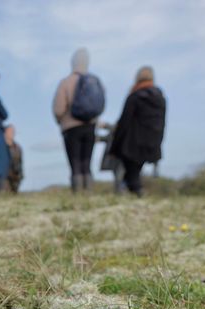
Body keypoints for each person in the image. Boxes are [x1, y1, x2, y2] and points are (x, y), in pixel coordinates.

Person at [110, 66, 167, 197]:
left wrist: (114, 147)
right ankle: (135, 194)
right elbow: (163, 122)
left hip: (132, 143)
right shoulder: (161, 99)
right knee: (133, 174)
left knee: (132, 175)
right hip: (153, 140)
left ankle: (138, 195)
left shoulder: (135, 97)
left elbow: (124, 123)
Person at [53, 48, 99, 192]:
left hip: (71, 128)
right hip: (90, 126)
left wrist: (60, 120)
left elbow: (58, 109)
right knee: (87, 161)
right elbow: (100, 104)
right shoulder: (95, 81)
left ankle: (78, 194)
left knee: (75, 163)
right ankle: (89, 192)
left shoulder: (66, 82)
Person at [4, 125, 24, 193]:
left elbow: (20, 162)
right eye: (9, 132)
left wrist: (20, 175)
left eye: (13, 132)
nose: (12, 134)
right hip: (4, 177)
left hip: (15, 177)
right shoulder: (1, 147)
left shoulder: (17, 147)